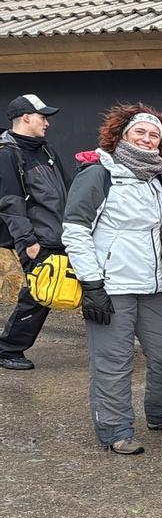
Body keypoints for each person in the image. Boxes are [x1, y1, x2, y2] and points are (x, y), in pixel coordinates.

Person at [61, 104, 162, 454]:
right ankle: (115, 429)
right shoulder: (98, 174)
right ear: (121, 135)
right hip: (111, 286)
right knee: (113, 363)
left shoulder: (159, 178)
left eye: (154, 135)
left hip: (154, 286)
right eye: (140, 132)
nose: (147, 139)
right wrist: (91, 283)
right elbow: (75, 230)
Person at [0, 94, 75, 370]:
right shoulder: (7, 154)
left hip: (59, 233)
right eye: (43, 117)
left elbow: (65, 188)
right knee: (38, 294)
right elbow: (9, 202)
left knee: (45, 293)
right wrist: (27, 241)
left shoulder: (45, 150)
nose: (47, 123)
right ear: (26, 117)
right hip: (37, 238)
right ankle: (8, 349)